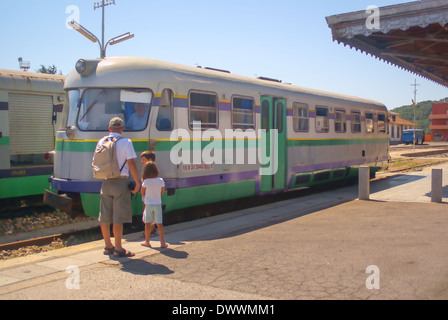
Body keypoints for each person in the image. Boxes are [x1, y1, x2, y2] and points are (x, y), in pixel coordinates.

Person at [96, 117, 140, 257]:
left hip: (105, 181)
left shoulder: (101, 141)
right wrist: (137, 182)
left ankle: (108, 246)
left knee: (104, 216)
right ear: (122, 129)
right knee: (118, 217)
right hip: (120, 182)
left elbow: (95, 162)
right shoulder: (126, 142)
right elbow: (131, 164)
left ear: (109, 129)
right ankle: (119, 248)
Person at [140, 161, 167, 248]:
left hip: (148, 205)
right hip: (157, 204)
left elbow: (142, 192)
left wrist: (145, 196)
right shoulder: (160, 180)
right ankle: (162, 242)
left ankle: (147, 241)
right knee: (159, 224)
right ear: (156, 171)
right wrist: (158, 195)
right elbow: (163, 190)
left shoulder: (146, 181)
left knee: (147, 224)